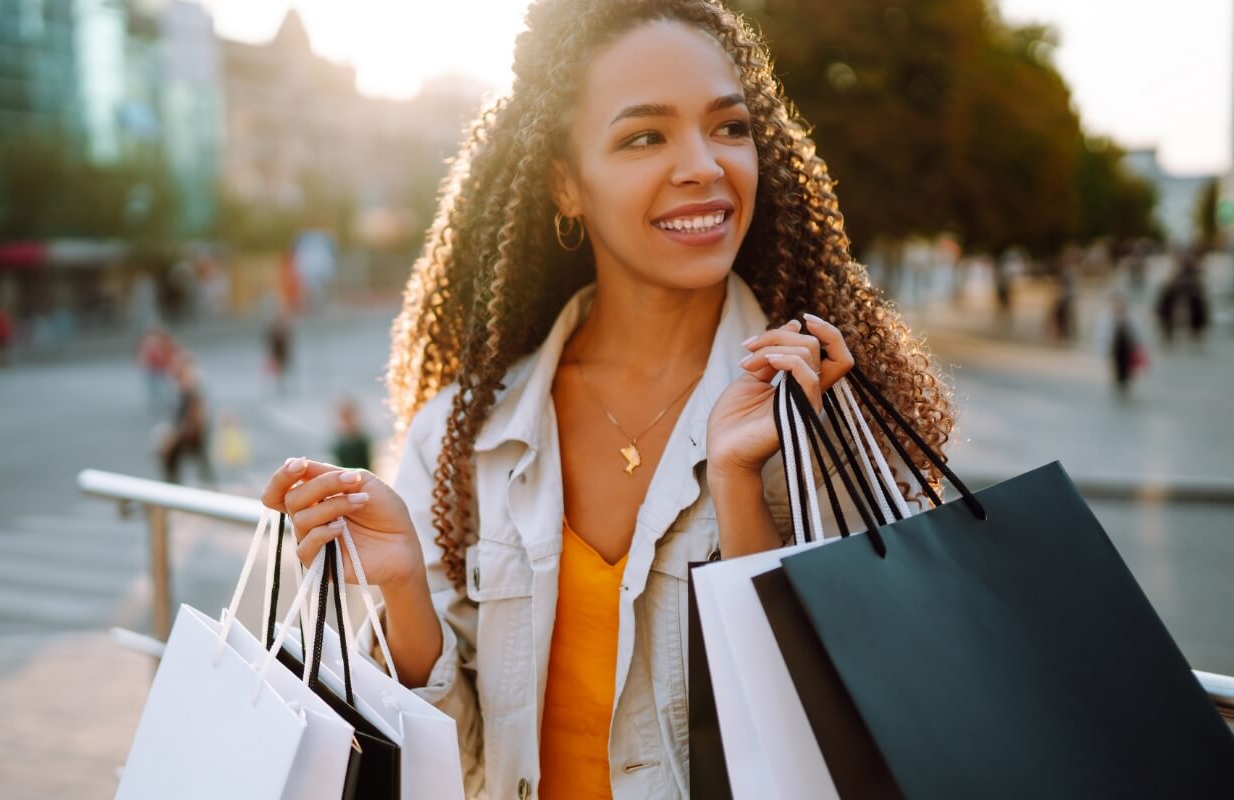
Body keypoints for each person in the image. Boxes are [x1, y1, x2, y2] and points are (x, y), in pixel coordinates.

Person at [261, 2, 953, 796]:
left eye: (729, 127)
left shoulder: (827, 417)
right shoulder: (459, 434)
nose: (703, 165)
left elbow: (841, 742)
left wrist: (739, 494)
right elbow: (455, 772)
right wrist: (404, 588)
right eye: (643, 137)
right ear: (566, 184)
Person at [160, 356, 215, 486]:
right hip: (187, 431)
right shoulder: (180, 389)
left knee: (201, 461)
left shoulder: (192, 391)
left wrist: (175, 435)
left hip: (191, 432)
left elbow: (198, 414)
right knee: (199, 462)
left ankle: (207, 486)